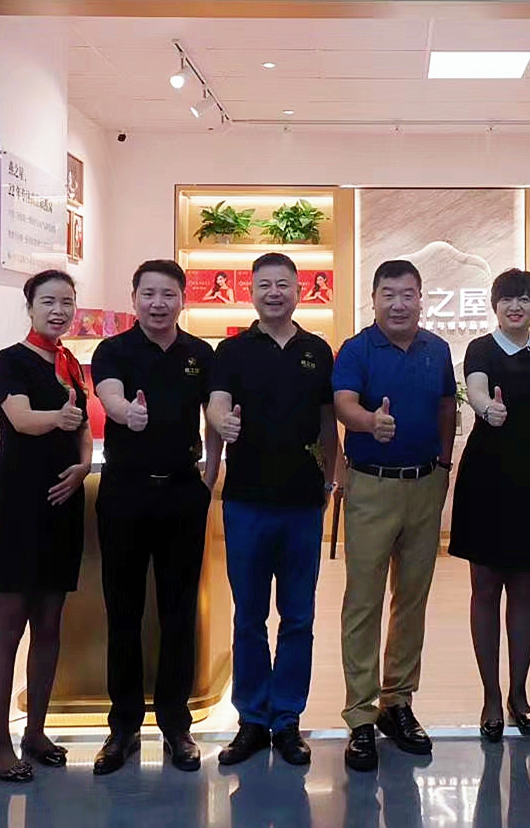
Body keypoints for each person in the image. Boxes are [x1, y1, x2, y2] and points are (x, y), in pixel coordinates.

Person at [206, 252, 340, 768]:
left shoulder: (317, 350)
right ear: (251, 292)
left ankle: (287, 719)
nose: (274, 293)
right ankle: (251, 719)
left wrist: (331, 478)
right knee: (249, 617)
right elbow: (216, 403)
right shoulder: (232, 350)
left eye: (283, 284)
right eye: (264, 285)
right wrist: (222, 423)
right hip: (246, 502)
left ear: (299, 291)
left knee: (299, 617)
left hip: (303, 503)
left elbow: (328, 423)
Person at [90, 259, 221, 775]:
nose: (158, 303)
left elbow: (214, 411)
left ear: (183, 299)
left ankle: (175, 725)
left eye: (168, 294)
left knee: (178, 612)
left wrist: (211, 469)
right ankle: (122, 728)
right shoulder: (113, 350)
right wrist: (127, 413)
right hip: (124, 492)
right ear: (135, 298)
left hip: (182, 494)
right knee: (122, 612)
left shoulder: (200, 354)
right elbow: (109, 394)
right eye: (148, 294)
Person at [332, 259, 457, 772]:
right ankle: (361, 716)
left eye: (408, 294)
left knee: (411, 599)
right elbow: (342, 404)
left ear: (421, 298)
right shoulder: (357, 349)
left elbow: (447, 407)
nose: (399, 304)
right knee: (363, 602)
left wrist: (444, 464)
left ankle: (397, 703)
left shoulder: (437, 349)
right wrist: (369, 422)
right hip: (371, 486)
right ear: (374, 299)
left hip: (425, 485)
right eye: (389, 294)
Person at [0, 270, 91, 781]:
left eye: (67, 302)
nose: (58, 311)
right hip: (19, 502)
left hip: (63, 501)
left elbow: (84, 426)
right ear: (29, 307)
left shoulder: (70, 364)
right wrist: (58, 420)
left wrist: (83, 466)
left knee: (50, 622)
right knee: (9, 623)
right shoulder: (11, 361)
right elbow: (22, 419)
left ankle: (36, 732)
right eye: (48, 301)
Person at [449, 268, 530, 742]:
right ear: (495, 306)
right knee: (484, 588)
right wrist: (485, 407)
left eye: (524, 299)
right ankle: (491, 697)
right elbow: (476, 387)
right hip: (488, 476)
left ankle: (519, 694)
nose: (515, 307)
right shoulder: (481, 348)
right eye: (507, 299)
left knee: (524, 589)